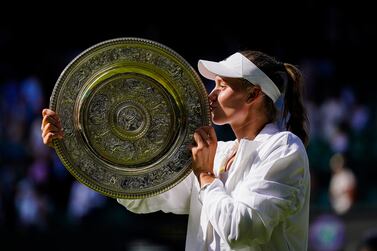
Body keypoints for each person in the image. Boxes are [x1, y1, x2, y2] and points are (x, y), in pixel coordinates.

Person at [41, 50, 310, 250]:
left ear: (253, 95)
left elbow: (243, 231)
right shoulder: (219, 152)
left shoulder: (284, 148)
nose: (211, 95)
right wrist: (77, 144)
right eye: (214, 85)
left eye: (223, 86)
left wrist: (205, 176)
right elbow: (144, 196)